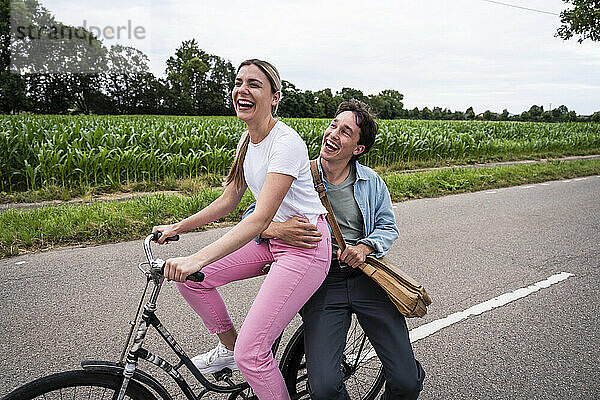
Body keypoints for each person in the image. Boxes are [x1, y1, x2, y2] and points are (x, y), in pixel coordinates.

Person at [153, 59, 331, 400]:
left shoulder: (286, 142)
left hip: (306, 246)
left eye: (254, 84)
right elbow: (229, 200)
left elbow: (257, 219)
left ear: (275, 97)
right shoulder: (245, 141)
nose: (241, 90)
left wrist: (196, 257)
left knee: (254, 354)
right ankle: (231, 350)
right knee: (193, 281)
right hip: (275, 236)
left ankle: (246, 357)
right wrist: (178, 227)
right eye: (238, 83)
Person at [259, 99, 425, 399]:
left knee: (406, 382)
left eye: (345, 131)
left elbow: (388, 228)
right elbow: (251, 217)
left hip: (367, 278)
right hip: (321, 281)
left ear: (358, 148)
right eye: (333, 125)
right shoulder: (297, 176)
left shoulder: (371, 182)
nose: (333, 133)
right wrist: (278, 229)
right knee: (322, 388)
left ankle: (408, 375)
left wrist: (364, 247)